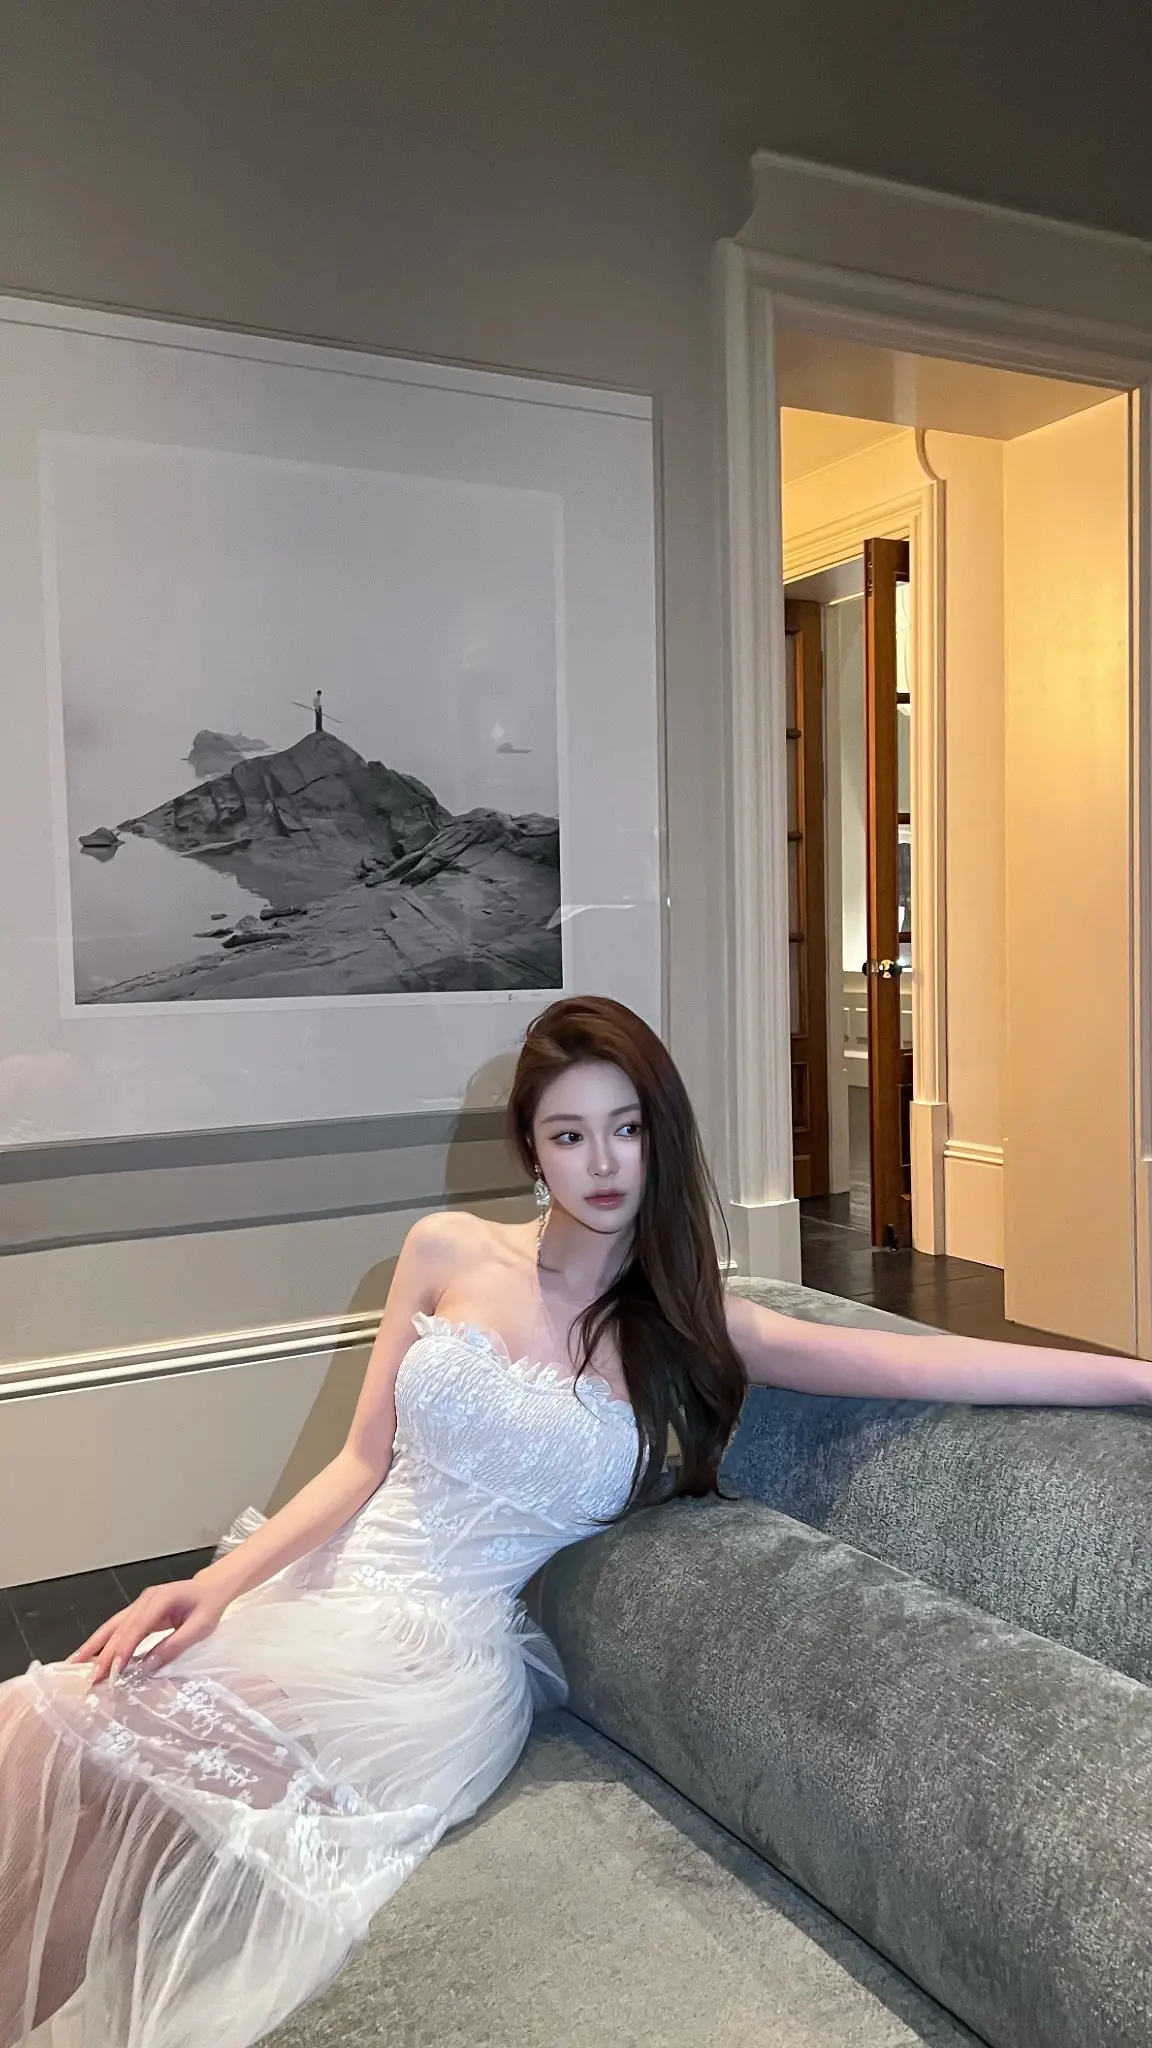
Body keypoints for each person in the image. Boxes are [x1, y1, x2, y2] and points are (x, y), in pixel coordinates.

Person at [0, 994, 1146, 2046]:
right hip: (329, 1590)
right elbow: (358, 1462)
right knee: (61, 1728)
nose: (602, 1162)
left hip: (431, 1660)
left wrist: (1135, 1376)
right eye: (569, 1133)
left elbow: (928, 1365)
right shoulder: (445, 1248)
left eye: (626, 1128)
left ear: (660, 1138)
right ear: (532, 1148)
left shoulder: (695, 1324)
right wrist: (215, 1584)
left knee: (134, 1767)